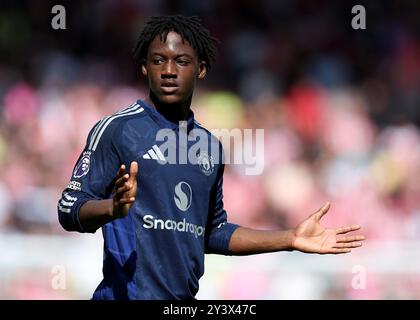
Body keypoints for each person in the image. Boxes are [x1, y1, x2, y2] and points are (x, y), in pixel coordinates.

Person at [57, 15, 364, 300]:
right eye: (158, 61)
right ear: (144, 67)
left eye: (181, 61)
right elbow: (69, 208)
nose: (168, 71)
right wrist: (113, 207)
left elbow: (212, 232)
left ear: (200, 68)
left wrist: (289, 238)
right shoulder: (118, 130)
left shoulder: (209, 146)